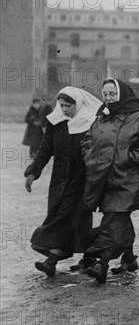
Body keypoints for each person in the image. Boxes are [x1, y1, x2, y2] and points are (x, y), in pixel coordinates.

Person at [82, 79, 139, 283]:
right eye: (105, 94)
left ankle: (101, 264)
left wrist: (129, 158)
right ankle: (129, 258)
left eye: (112, 94)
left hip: (127, 180)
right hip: (103, 179)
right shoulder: (101, 118)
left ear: (122, 94)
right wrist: (90, 156)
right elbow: (87, 139)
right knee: (118, 218)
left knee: (113, 220)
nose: (108, 98)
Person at [23, 87, 102, 277]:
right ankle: (89, 258)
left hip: (82, 180)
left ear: (79, 104)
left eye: (69, 105)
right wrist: (34, 171)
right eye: (62, 105)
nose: (65, 109)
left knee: (67, 217)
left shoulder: (90, 124)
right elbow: (45, 148)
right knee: (70, 219)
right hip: (59, 180)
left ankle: (51, 261)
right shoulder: (56, 122)